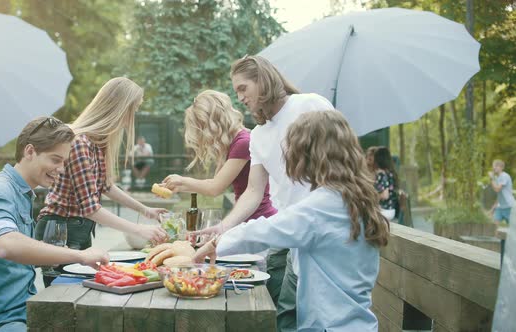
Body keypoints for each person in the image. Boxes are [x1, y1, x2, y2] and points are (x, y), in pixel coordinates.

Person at [194, 110, 390, 331]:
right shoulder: (356, 197)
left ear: (310, 155)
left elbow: (267, 230)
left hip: (329, 325)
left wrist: (216, 244)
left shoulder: (324, 205)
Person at [197, 55, 334, 330]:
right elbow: (253, 192)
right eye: (236, 92)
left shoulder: (310, 105)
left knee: (290, 312)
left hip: (316, 230)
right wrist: (222, 228)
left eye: (243, 88)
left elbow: (340, 164)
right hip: (283, 231)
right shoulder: (259, 135)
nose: (240, 98)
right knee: (271, 306)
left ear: (262, 80)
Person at [0, 116, 110, 332]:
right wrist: (80, 256)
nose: (61, 169)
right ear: (29, 151)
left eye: (64, 162)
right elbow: (5, 245)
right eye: (55, 160)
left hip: (21, 313)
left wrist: (59, 256)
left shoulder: (23, 193)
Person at [36, 78, 167, 286]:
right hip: (61, 231)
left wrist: (146, 210)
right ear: (120, 108)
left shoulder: (98, 143)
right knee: (62, 297)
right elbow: (90, 208)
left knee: (78, 297)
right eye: (134, 108)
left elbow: (106, 186)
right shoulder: (79, 143)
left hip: (79, 230)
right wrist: (138, 229)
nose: (133, 116)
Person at [161, 90, 278, 296]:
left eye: (202, 127)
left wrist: (184, 180)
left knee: (252, 290)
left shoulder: (243, 141)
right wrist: (182, 186)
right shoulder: (233, 143)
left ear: (212, 121)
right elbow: (215, 183)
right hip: (246, 221)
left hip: (259, 221)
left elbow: (215, 188)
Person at [373, 146, 399, 217]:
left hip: (384, 211)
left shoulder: (381, 173)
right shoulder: (391, 173)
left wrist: (371, 198)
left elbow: (385, 195)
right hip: (391, 210)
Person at [489, 159, 515, 224]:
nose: (494, 167)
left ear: (502, 168)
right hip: (500, 207)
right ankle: (495, 234)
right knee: (495, 226)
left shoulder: (504, 176)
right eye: (493, 166)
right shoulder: (497, 178)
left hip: (509, 206)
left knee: (513, 229)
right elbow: (499, 194)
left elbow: (497, 189)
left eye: (497, 166)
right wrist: (493, 209)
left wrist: (492, 178)